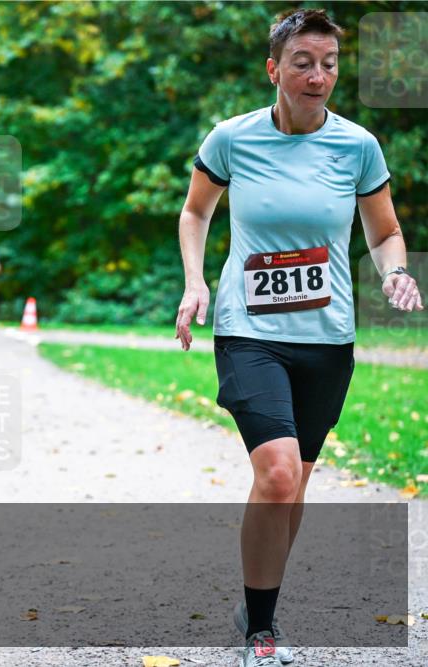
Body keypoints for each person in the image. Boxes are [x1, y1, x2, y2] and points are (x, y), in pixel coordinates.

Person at [174, 9, 423, 667]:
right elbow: (196, 210)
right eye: (304, 62)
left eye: (330, 63)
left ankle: (258, 598)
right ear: (274, 70)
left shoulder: (358, 146)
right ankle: (262, 631)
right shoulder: (232, 138)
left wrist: (394, 271)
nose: (318, 75)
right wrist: (195, 282)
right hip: (249, 329)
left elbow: (384, 229)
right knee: (278, 474)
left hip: (326, 337)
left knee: (298, 480)